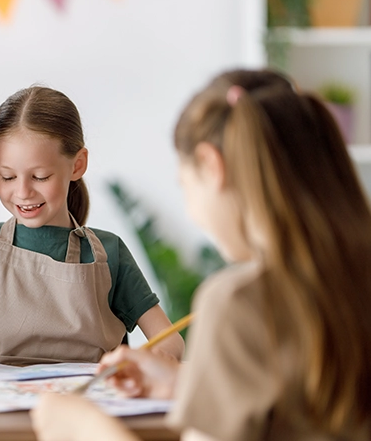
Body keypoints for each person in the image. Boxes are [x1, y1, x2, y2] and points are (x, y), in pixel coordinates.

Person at [31, 70, 371, 440]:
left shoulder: (240, 302)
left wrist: (82, 428)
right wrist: (189, 382)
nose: (192, 210)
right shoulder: (349, 281)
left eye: (186, 185)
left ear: (211, 165)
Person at [0, 86, 184, 365]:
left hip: (85, 401)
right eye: (8, 177)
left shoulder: (109, 252)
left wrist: (138, 364)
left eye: (40, 177)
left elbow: (171, 341)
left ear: (77, 165)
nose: (23, 192)